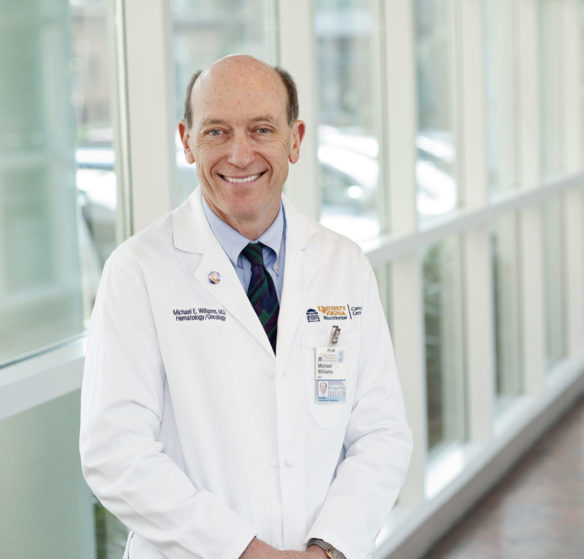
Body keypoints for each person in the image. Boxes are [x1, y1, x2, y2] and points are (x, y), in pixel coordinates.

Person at [80, 54, 412, 559]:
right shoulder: (138, 271)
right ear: (186, 141)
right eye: (216, 132)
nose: (239, 154)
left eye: (261, 129)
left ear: (295, 139)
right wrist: (245, 552)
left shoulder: (344, 264)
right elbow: (115, 453)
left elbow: (381, 433)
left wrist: (328, 548)